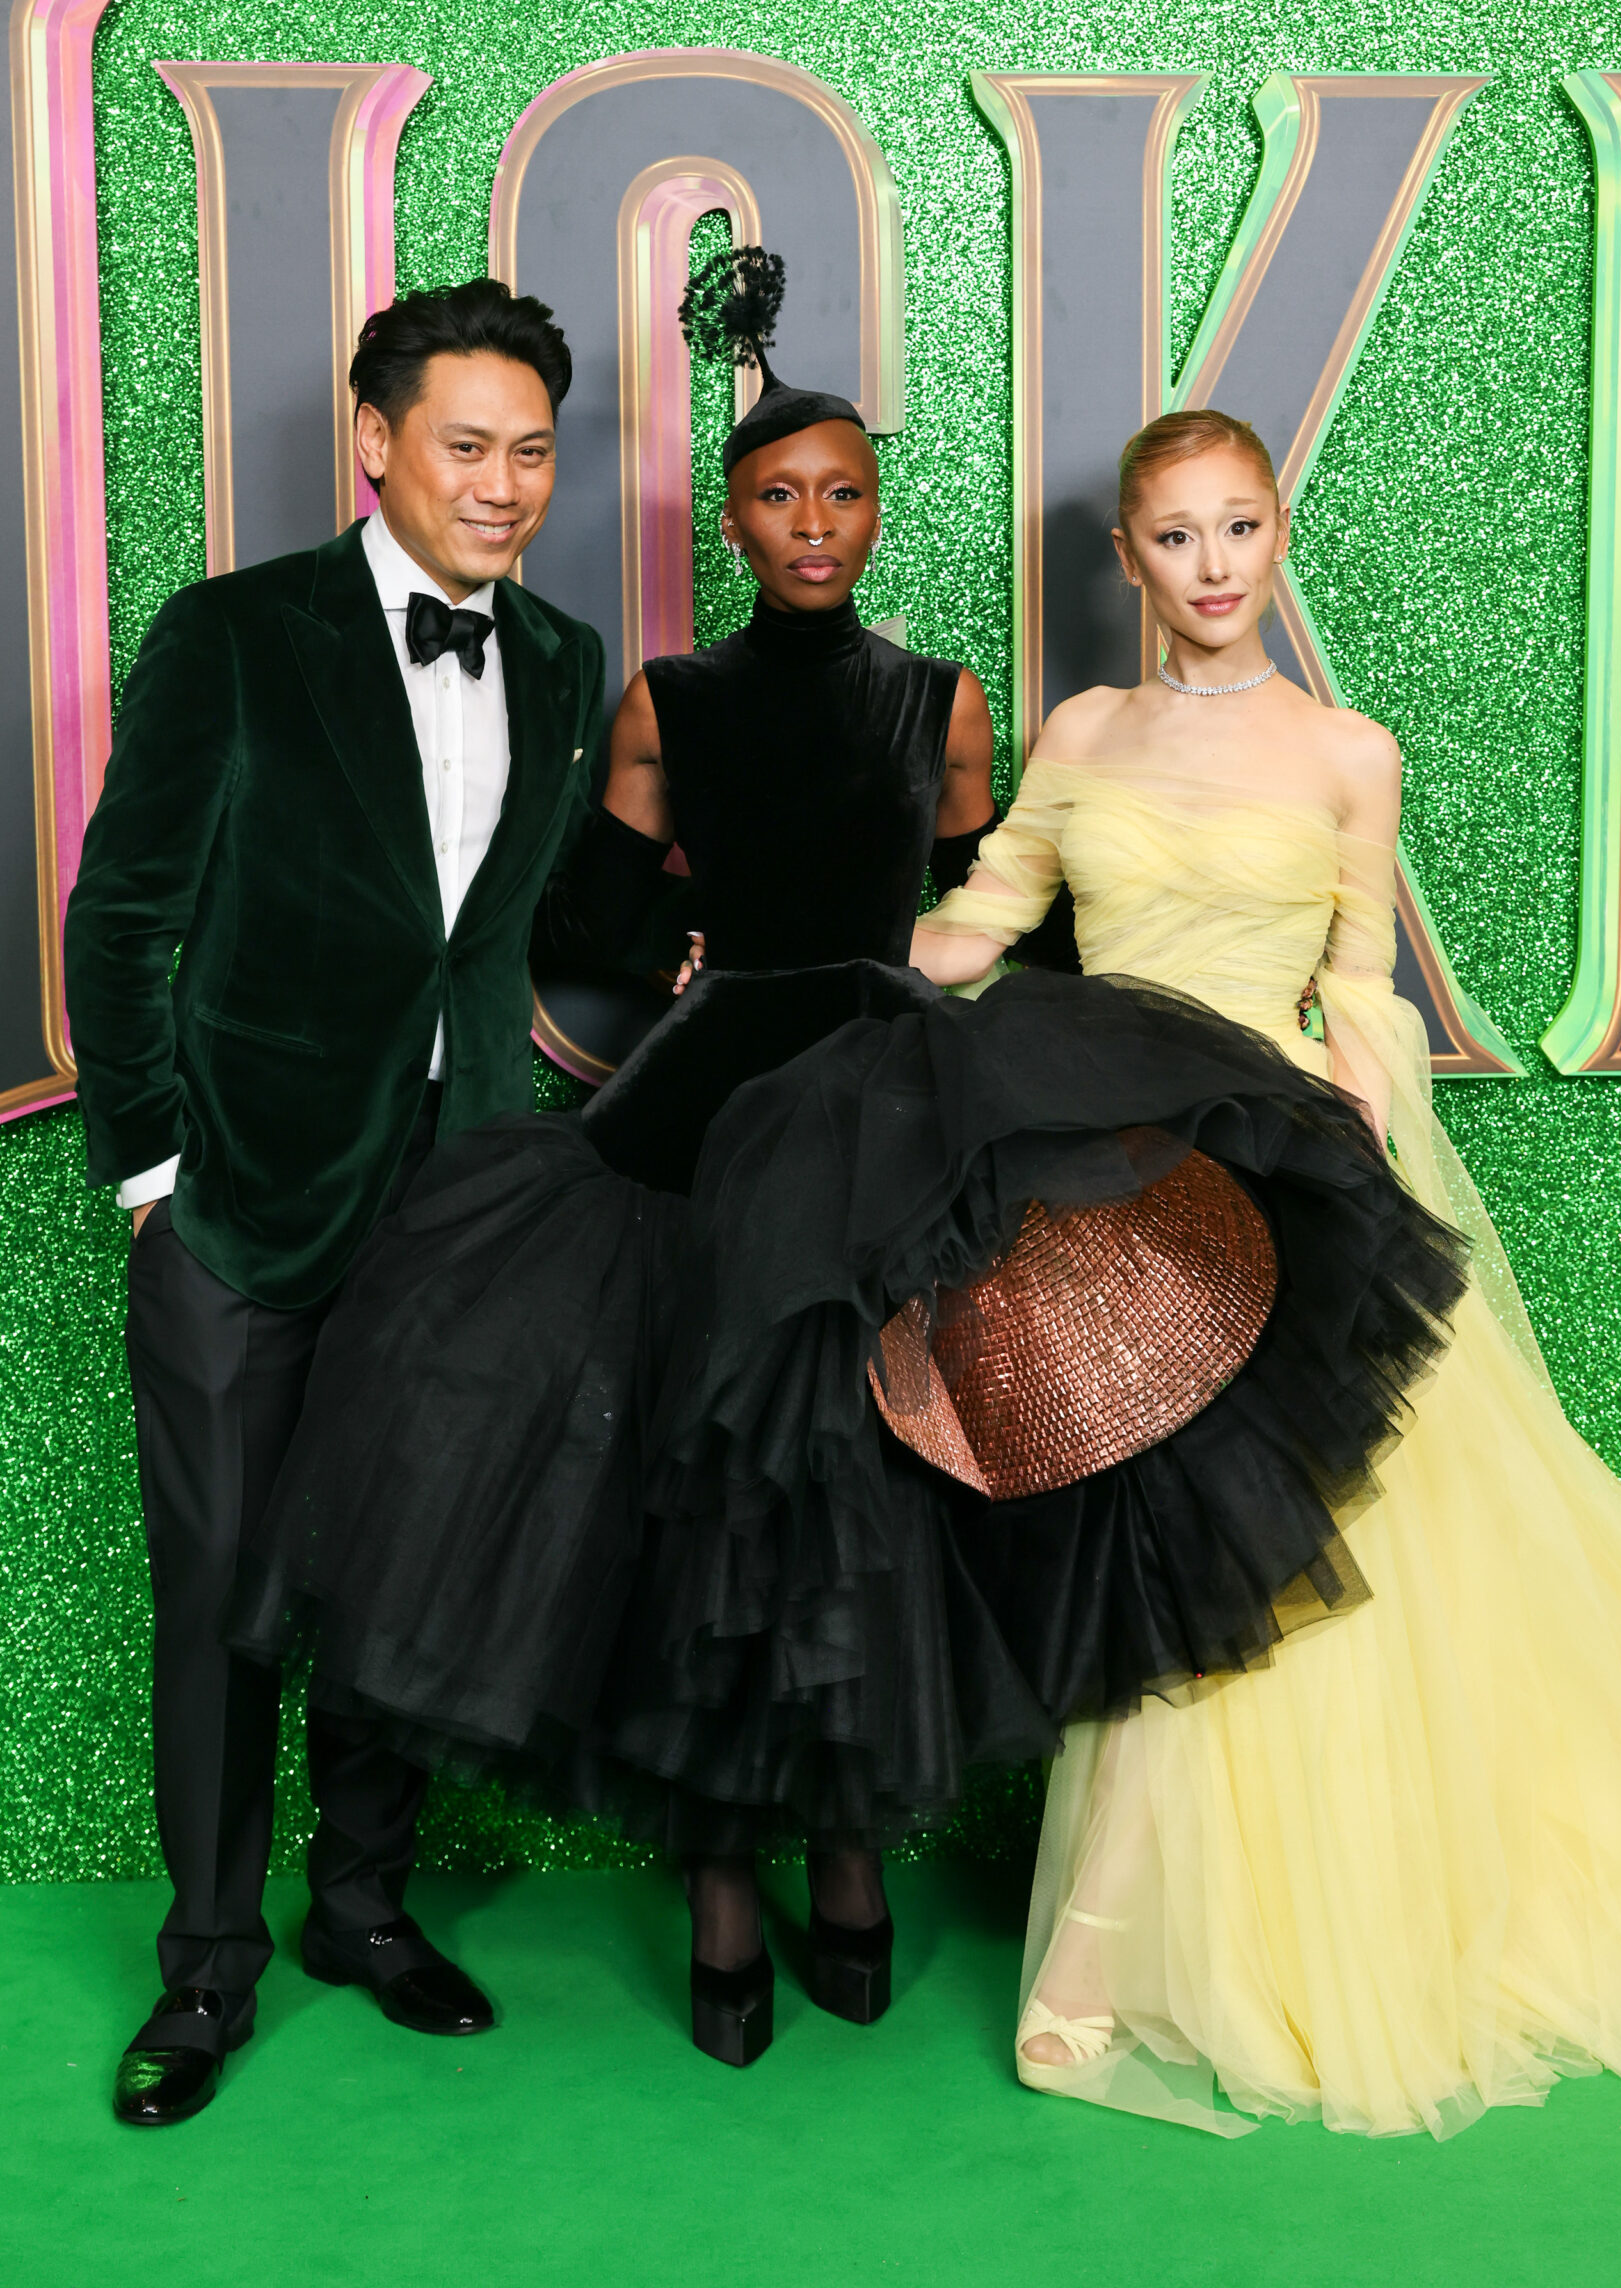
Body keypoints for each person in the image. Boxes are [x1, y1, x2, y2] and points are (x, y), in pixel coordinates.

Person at [232, 273, 1463, 2079]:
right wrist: (652, 964)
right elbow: (574, 924)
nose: (812, 522)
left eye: (844, 492)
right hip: (708, 1105)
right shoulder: (662, 701)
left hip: (884, 1094)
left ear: (878, 511)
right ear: (726, 518)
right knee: (707, 1488)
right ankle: (723, 1880)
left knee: (878, 1480)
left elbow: (999, 924)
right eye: (776, 494)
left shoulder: (955, 706)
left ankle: (848, 1856)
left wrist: (1108, 1087)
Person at [910, 406, 1621, 2140]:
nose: (1212, 567)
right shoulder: (1083, 733)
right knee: (1153, 1541)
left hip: (1287, 1180)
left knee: (1282, 1549)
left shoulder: (1350, 751)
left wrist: (1353, 1194)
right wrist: (819, 976)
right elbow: (984, 915)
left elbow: (1358, 987)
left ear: (1278, 534)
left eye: (1240, 527)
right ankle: (1116, 1952)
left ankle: (1104, 1966)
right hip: (1115, 1185)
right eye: (1175, 536)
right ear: (1126, 557)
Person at [63, 279, 606, 2128]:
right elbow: (122, 916)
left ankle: (358, 1906)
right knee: (223, 1591)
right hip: (237, 1204)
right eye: (468, 446)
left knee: (402, 1577)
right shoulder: (233, 634)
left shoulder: (557, 655)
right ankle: (208, 1969)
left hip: (452, 1210)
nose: (505, 484)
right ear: (374, 443)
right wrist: (153, 1178)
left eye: (534, 450)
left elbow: (497, 934)